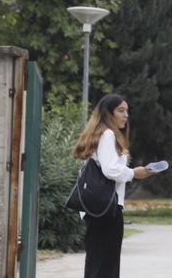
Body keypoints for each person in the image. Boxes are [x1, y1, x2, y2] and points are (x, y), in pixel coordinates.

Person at [71, 93, 151, 278]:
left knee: (98, 263)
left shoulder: (101, 134)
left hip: (99, 208)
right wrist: (133, 173)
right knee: (106, 265)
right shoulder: (107, 135)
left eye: (127, 111)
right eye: (121, 110)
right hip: (106, 209)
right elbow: (110, 170)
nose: (126, 115)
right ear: (109, 113)